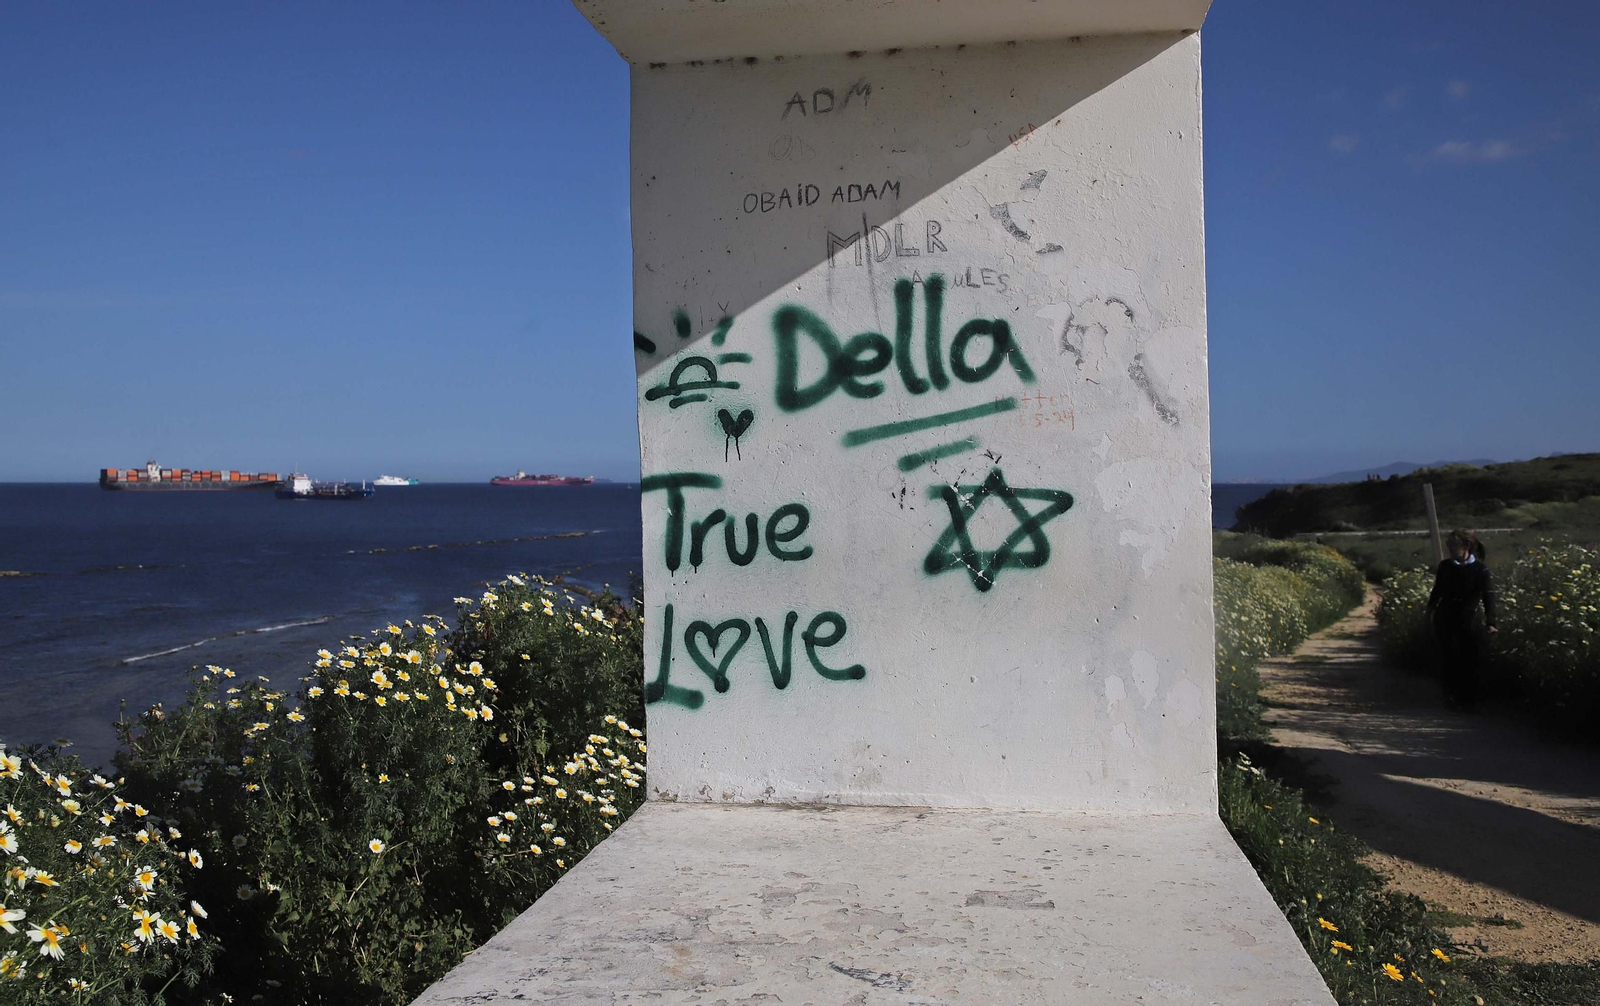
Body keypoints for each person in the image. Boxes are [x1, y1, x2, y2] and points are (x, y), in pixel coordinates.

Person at [1425, 529, 1497, 709]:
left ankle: (1469, 699)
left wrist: (1491, 622)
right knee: (1448, 657)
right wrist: (1429, 612)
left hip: (1469, 619)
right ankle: (1450, 697)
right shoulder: (1445, 566)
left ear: (1466, 547)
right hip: (1446, 617)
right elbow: (1437, 591)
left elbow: (1489, 596)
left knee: (1470, 658)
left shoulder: (1480, 570)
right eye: (1448, 545)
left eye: (1454, 546)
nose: (1450, 549)